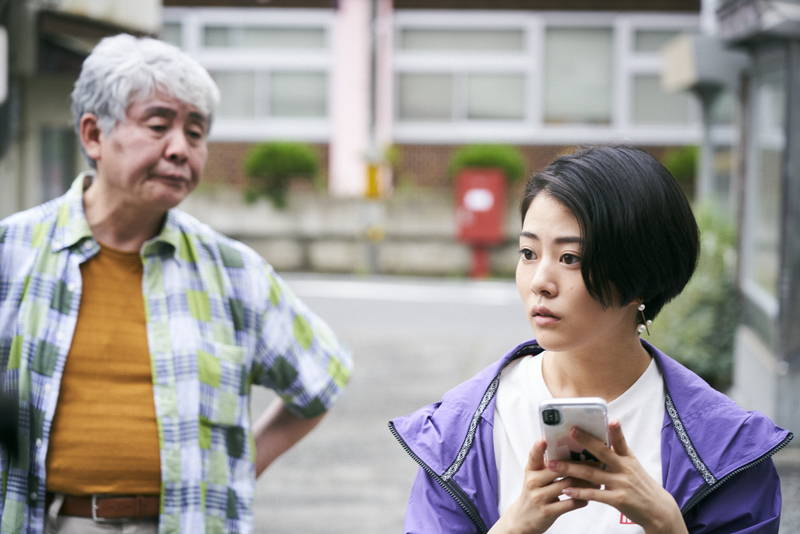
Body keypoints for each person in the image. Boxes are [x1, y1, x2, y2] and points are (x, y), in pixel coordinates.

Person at [0, 34, 352, 534]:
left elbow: (321, 378)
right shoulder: (12, 252)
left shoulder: (231, 270)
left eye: (196, 133)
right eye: (159, 126)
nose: (180, 149)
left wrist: (238, 470)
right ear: (94, 135)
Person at [389, 146, 792, 533]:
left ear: (640, 276)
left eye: (570, 259)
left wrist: (666, 524)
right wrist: (513, 527)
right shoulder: (459, 433)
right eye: (528, 253)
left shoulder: (725, 448)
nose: (540, 283)